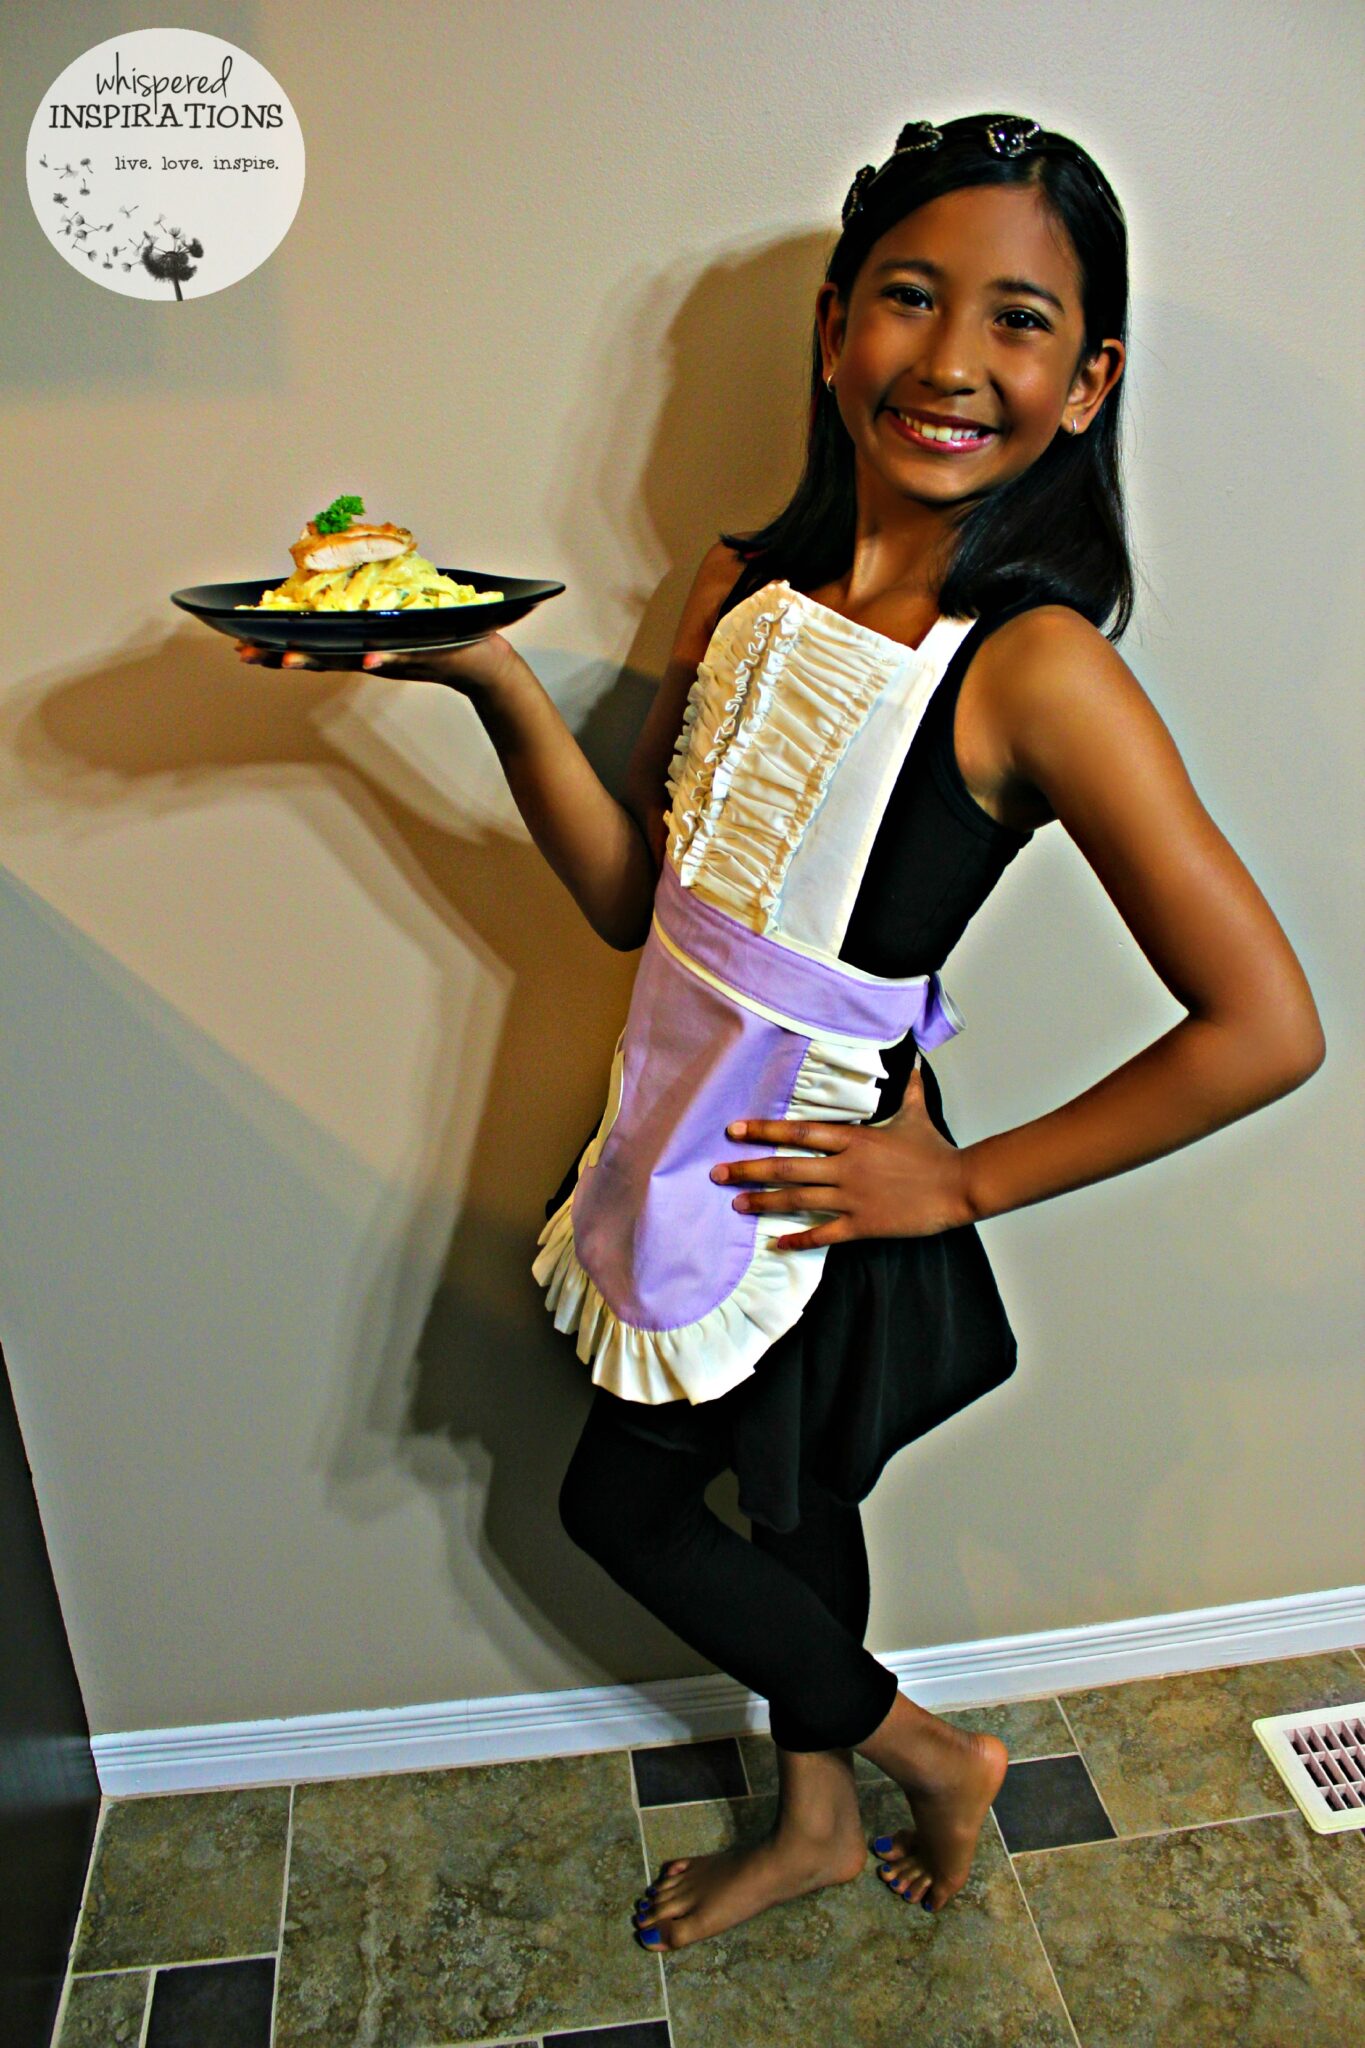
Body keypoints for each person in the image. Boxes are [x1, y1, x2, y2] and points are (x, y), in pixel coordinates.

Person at [234, 112, 1325, 1953]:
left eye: (1019, 321)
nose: (953, 360)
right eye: (908, 297)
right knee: (783, 1507)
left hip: (816, 1185)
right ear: (834, 331)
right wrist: (487, 679)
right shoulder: (741, 580)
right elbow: (629, 902)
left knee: (627, 1508)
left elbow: (1263, 1026)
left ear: (1085, 381)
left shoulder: (1036, 666)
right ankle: (820, 1814)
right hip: (667, 1132)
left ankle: (927, 1761)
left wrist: (962, 1178)